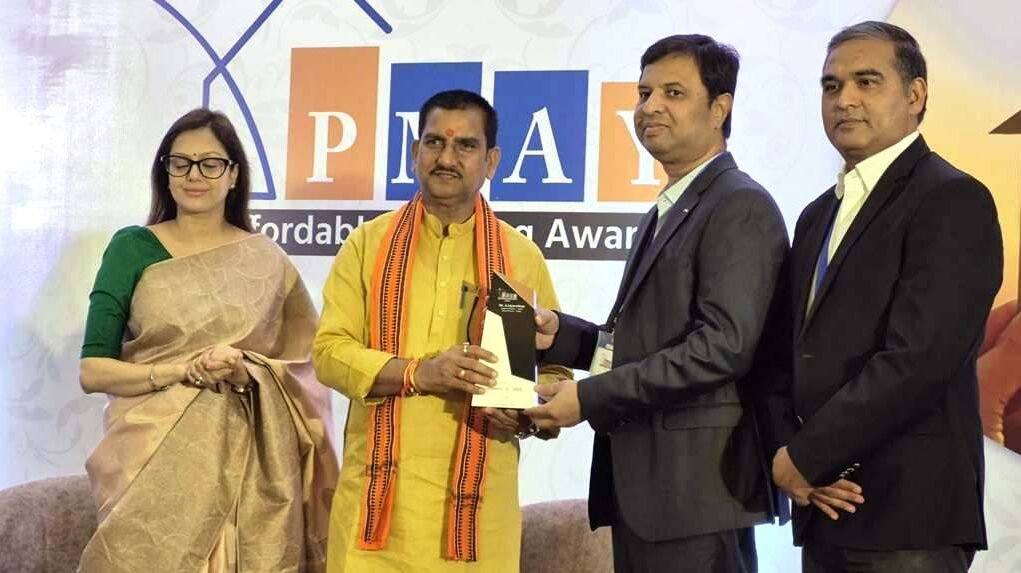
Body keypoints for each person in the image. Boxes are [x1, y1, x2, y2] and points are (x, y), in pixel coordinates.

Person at [525, 34, 796, 572]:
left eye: (674, 92)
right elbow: (642, 343)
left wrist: (589, 398)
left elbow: (721, 348)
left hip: (696, 496)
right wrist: (563, 337)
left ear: (719, 108)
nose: (650, 107)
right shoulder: (670, 207)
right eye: (644, 92)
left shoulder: (739, 204)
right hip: (649, 494)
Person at [771, 21, 1003, 572]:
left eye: (867, 81)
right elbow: (785, 355)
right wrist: (794, 459)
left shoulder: (952, 199)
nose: (844, 99)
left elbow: (920, 359)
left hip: (909, 517)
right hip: (822, 507)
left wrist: (808, 456)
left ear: (915, 95)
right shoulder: (815, 216)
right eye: (831, 86)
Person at [313, 89, 571, 572]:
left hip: (479, 519)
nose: (446, 158)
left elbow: (553, 369)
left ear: (491, 161)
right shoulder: (367, 245)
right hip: (377, 516)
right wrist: (420, 372)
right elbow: (328, 352)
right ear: (415, 152)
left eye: (466, 146)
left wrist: (529, 414)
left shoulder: (520, 257)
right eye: (434, 143)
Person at [77, 108, 338, 572]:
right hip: (150, 461)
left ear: (234, 174)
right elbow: (92, 372)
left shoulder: (268, 261)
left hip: (251, 469)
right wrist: (179, 371)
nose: (194, 175)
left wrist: (245, 370)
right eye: (180, 163)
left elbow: (307, 371)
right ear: (165, 172)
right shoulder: (132, 248)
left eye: (210, 163)